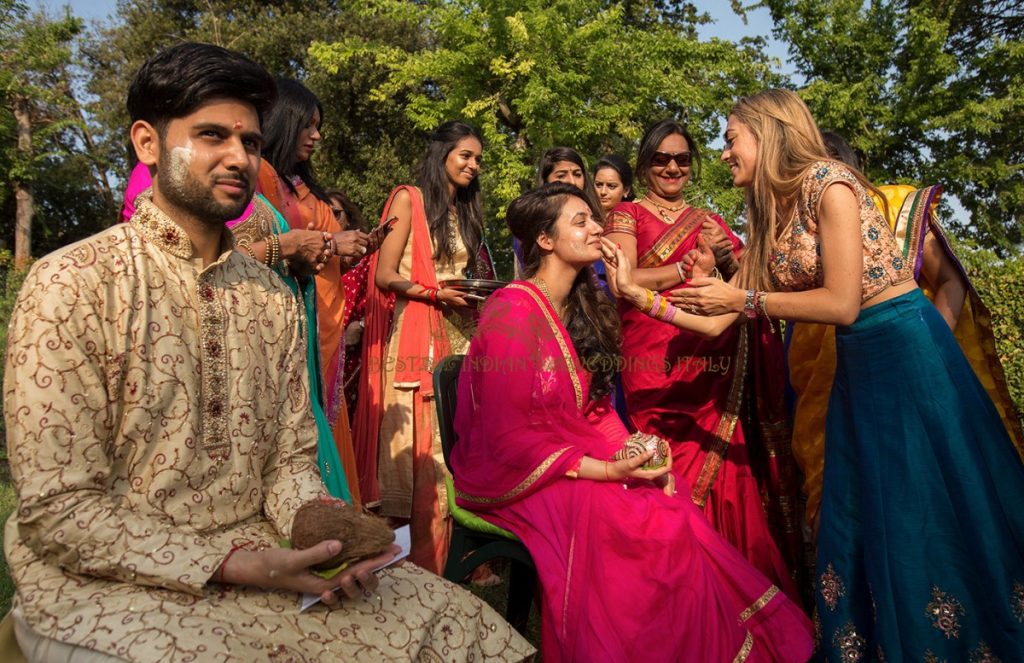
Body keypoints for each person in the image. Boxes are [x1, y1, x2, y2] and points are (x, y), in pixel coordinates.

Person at [2, 42, 533, 663]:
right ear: (148, 144)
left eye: (250, 143)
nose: (237, 158)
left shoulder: (271, 297)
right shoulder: (74, 282)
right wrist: (236, 564)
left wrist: (328, 534)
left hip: (270, 558)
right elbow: (58, 511)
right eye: (210, 136)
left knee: (460, 623)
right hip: (110, 584)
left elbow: (289, 461)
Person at [605, 88, 1024, 661]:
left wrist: (746, 297)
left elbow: (842, 302)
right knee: (856, 509)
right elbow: (715, 321)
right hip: (857, 363)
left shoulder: (830, 184)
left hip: (904, 349)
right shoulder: (768, 211)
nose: (723, 154)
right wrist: (637, 296)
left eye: (731, 140)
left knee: (919, 503)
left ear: (767, 131)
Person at [452, 183, 813, 662]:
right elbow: (506, 431)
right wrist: (604, 471)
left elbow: (596, 410)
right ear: (545, 240)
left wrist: (634, 450)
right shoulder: (513, 310)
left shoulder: (583, 305)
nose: (598, 228)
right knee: (626, 517)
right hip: (515, 472)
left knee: (667, 494)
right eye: (580, 220)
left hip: (567, 453)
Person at [602, 118, 802, 598]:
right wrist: (683, 269)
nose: (672, 167)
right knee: (670, 462)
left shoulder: (707, 219)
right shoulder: (626, 214)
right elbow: (621, 282)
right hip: (655, 361)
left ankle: (730, 584)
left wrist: (723, 259)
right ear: (646, 161)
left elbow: (746, 279)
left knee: (727, 468)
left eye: (682, 159)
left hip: (714, 358)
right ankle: (675, 585)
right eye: (662, 158)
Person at [787, 131, 1024, 534]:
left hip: (903, 377)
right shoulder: (795, 234)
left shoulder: (894, 211)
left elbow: (950, 282)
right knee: (846, 515)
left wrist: (927, 352)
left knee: (923, 501)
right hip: (826, 392)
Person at [354, 121, 496, 575]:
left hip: (457, 335)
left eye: (478, 159)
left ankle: (456, 556)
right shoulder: (408, 199)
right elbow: (383, 274)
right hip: (418, 338)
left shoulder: (463, 212)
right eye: (465, 156)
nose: (474, 166)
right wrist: (434, 294)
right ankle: (416, 565)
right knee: (424, 454)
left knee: (454, 448)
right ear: (442, 155)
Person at [257, 78, 372, 505]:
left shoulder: (297, 182)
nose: (316, 135)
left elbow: (329, 247)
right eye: (308, 125)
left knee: (325, 413)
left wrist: (359, 246)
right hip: (288, 313)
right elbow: (271, 245)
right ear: (283, 120)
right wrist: (329, 242)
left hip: (323, 316)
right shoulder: (262, 177)